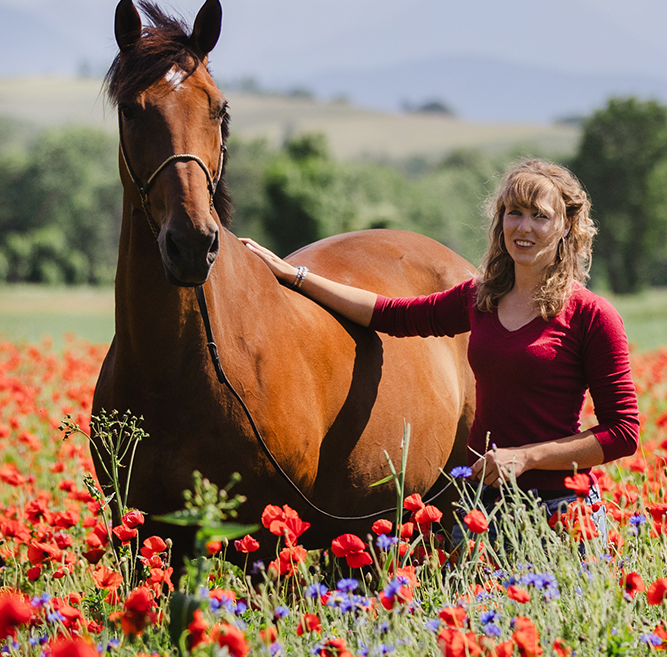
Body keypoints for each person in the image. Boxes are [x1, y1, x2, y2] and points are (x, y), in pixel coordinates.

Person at [239, 158, 638, 519]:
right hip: (484, 506)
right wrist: (296, 276)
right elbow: (389, 313)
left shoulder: (592, 315)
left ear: (565, 226)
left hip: (558, 509)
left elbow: (622, 433)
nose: (523, 227)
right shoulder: (479, 298)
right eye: (514, 212)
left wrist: (527, 458)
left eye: (540, 216)